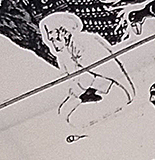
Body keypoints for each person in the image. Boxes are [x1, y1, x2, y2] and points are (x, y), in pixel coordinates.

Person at [39, 11, 134, 140]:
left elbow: (92, 76)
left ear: (64, 32)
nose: (54, 45)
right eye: (51, 40)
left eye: (56, 38)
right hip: (93, 92)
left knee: (75, 118)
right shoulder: (64, 54)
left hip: (115, 89)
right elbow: (76, 80)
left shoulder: (82, 42)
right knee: (63, 113)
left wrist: (78, 92)